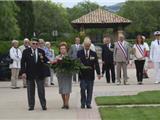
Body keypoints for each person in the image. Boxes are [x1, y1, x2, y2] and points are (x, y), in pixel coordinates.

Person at [21, 38, 48, 111]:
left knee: (41, 91)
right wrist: (23, 72)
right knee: (30, 91)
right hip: (29, 74)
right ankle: (31, 105)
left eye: (36, 44)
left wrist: (46, 60)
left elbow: (45, 60)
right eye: (33, 43)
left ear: (38, 44)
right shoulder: (25, 51)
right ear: (30, 44)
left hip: (39, 74)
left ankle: (43, 105)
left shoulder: (41, 51)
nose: (35, 45)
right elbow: (23, 62)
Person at [77, 37, 101, 109]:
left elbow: (96, 64)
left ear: (90, 45)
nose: (87, 47)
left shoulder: (93, 53)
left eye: (88, 46)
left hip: (90, 75)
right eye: (86, 45)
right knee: (83, 89)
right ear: (84, 45)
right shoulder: (79, 53)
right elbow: (77, 63)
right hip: (82, 74)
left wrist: (98, 73)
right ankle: (83, 103)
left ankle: (88, 103)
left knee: (90, 90)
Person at [55, 42, 72, 109]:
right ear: (59, 49)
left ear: (66, 49)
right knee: (62, 89)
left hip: (67, 75)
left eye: (64, 48)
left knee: (67, 89)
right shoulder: (57, 57)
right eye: (61, 48)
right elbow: (54, 66)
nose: (62, 50)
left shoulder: (69, 57)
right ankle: (64, 102)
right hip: (60, 75)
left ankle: (67, 103)